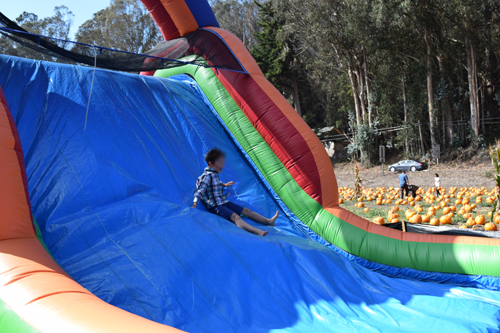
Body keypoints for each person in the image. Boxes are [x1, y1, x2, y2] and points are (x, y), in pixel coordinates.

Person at [192, 148, 278, 236]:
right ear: (211, 164)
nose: (222, 165)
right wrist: (195, 204)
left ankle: (269, 221)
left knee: (247, 211)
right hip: (216, 206)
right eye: (219, 162)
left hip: (223, 201)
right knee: (235, 217)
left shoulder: (214, 175)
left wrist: (224, 185)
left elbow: (214, 184)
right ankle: (256, 231)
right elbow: (200, 190)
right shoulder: (206, 176)